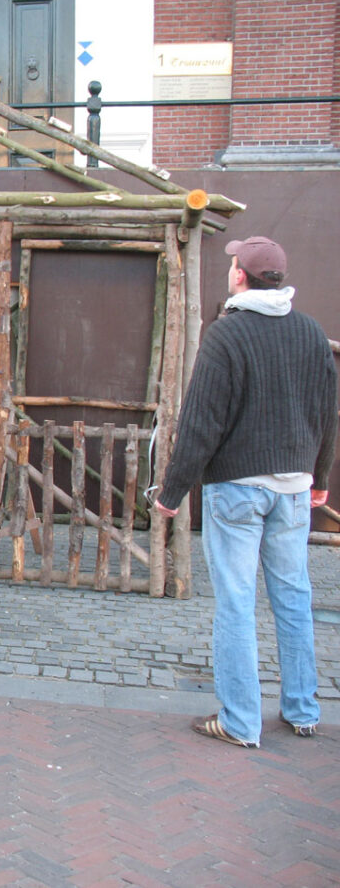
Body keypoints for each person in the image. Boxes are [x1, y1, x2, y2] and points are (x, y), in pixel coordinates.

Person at [154, 236, 336, 748]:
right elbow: (327, 416)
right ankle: (302, 710)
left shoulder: (226, 335)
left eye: (233, 263)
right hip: (294, 489)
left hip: (236, 487)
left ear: (240, 276)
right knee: (294, 598)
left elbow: (200, 423)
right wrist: (319, 479)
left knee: (236, 602)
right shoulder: (311, 332)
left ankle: (240, 721)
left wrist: (172, 492)